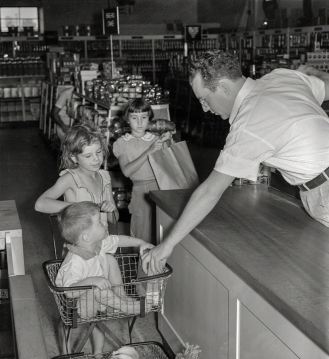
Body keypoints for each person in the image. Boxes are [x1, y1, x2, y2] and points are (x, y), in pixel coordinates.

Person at [141, 50, 329, 275]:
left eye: (204, 98)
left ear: (223, 87)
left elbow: (210, 191)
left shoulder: (248, 123)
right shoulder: (282, 77)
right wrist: (313, 74)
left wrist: (166, 245)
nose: (204, 108)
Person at [55, 201, 154, 356]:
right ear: (87, 236)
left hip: (99, 299)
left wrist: (140, 242)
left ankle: (99, 351)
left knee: (109, 259)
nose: (104, 223)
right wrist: (92, 280)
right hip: (78, 307)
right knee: (97, 290)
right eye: (100, 223)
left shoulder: (96, 244)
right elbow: (69, 292)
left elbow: (119, 240)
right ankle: (123, 305)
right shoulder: (75, 261)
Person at [35, 122, 119, 229]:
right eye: (88, 156)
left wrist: (110, 209)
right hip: (79, 242)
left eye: (98, 151)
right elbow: (40, 204)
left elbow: (114, 219)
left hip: (102, 240)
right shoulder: (70, 178)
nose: (96, 159)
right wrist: (81, 207)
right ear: (74, 158)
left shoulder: (105, 177)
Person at [113, 98, 173, 244]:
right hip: (140, 192)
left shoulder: (156, 139)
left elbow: (171, 164)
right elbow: (127, 171)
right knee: (142, 235)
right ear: (127, 119)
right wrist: (149, 151)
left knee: (163, 232)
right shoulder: (122, 143)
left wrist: (169, 141)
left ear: (149, 119)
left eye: (144, 117)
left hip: (161, 188)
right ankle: (141, 265)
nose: (139, 123)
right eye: (134, 118)